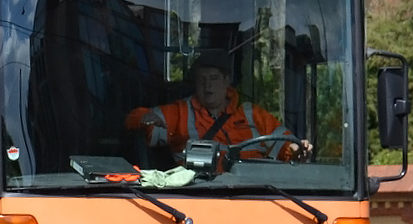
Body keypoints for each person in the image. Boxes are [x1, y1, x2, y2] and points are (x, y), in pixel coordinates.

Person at [125, 50, 313, 164]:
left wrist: (297, 150)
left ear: (227, 81)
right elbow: (135, 118)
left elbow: (286, 146)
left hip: (256, 196)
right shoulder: (180, 112)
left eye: (214, 79)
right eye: (202, 80)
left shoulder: (252, 114)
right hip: (197, 197)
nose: (208, 86)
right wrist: (143, 118)